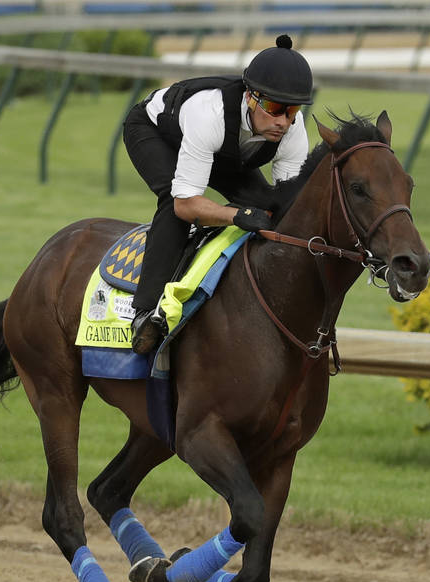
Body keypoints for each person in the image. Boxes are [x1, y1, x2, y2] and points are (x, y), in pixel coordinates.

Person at [122, 34, 314, 355]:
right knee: (173, 201)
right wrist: (236, 215)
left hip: (226, 150)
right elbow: (187, 204)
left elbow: (286, 206)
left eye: (292, 110)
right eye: (275, 108)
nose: (283, 121)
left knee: (266, 206)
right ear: (251, 98)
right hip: (155, 132)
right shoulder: (207, 113)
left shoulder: (292, 128)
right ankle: (144, 315)